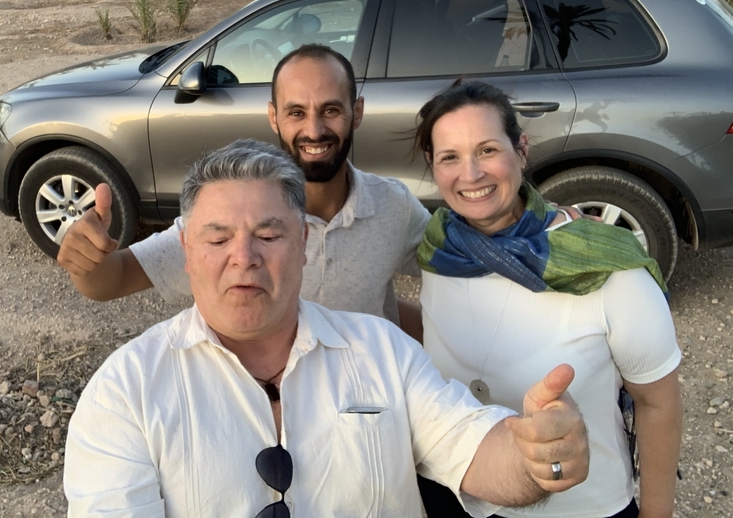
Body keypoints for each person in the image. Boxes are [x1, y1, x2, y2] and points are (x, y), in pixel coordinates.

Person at [64, 140, 590, 517]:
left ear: (304, 244)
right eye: (217, 238)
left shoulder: (383, 351)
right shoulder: (125, 393)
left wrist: (532, 458)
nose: (243, 258)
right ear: (186, 252)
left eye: (269, 235)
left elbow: (472, 447)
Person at [410, 80, 682, 518]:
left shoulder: (606, 267)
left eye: (487, 150)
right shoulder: (439, 248)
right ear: (432, 165)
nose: (471, 174)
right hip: (455, 493)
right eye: (450, 158)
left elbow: (658, 402)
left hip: (581, 507)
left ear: (521, 149)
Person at [57, 44, 430, 331]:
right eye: (296, 112)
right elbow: (114, 279)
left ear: (358, 111)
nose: (314, 130)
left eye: (330, 110)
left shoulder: (393, 207)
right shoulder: (232, 215)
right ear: (273, 117)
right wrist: (87, 262)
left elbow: (458, 273)